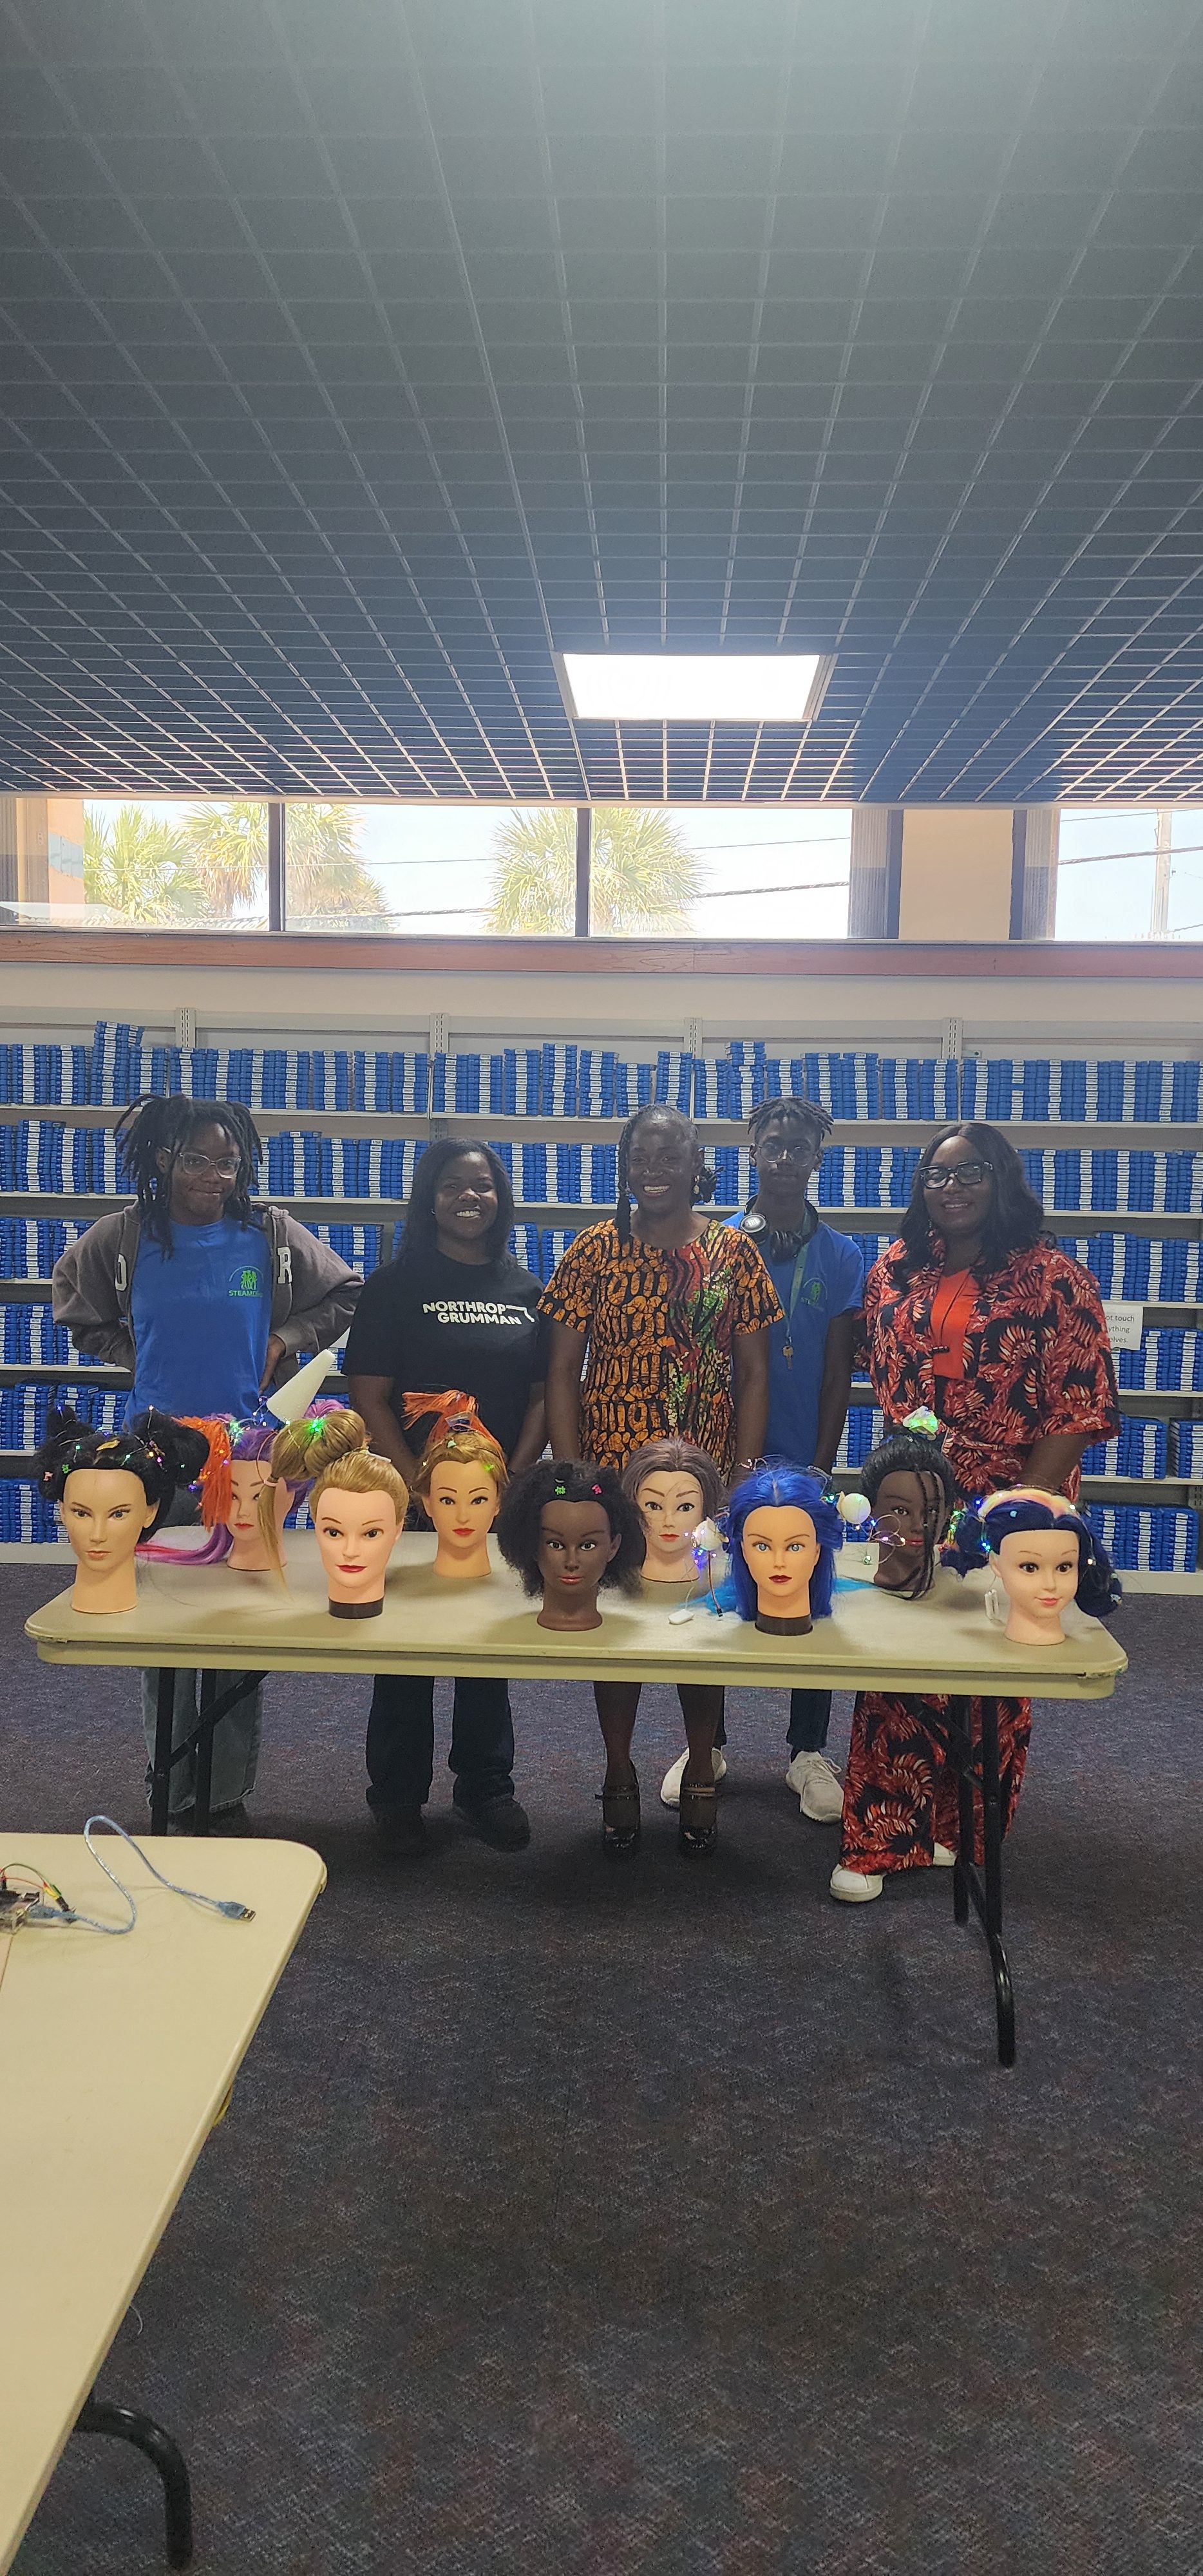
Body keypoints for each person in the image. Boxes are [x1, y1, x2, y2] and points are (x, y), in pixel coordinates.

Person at [51, 1093, 361, 1833]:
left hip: (249, 1456)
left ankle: (224, 1795)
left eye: (229, 1162)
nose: (215, 1176)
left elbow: (347, 1291)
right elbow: (75, 1307)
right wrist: (135, 1356)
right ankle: (170, 1785)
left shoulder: (269, 1233)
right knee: (160, 1631)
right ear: (162, 1159)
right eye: (198, 1160)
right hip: (154, 1461)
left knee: (236, 1628)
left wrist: (284, 1340)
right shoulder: (123, 1237)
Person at [831, 1121, 1120, 1903]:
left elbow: (1077, 1404)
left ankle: (961, 1827)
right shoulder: (895, 1267)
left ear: (1001, 1179)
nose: (950, 1188)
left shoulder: (1053, 1276)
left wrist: (1018, 1512)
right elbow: (868, 1362)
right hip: (911, 1493)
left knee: (991, 1663)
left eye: (968, 1173)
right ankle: (881, 1834)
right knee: (895, 1657)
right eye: (936, 1174)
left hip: (1012, 1490)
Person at [540, 1104, 781, 1861]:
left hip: (701, 1484)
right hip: (612, 1482)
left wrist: (740, 1483)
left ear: (694, 1166)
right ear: (623, 1166)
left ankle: (702, 1764)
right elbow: (561, 1370)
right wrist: (573, 1477)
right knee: (615, 1631)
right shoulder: (591, 1249)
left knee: (698, 1631)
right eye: (639, 1156)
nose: (652, 1170)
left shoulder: (732, 1252)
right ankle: (618, 1769)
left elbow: (753, 1374)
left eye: (668, 1155)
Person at [659, 1090, 864, 1821]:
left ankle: (807, 1749)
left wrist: (821, 1463)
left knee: (810, 1593)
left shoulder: (842, 1255)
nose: (783, 1159)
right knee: (709, 1589)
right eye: (771, 1145)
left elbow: (838, 1372)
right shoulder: (709, 1244)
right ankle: (706, 1743)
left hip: (801, 1449)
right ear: (751, 1153)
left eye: (798, 1148)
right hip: (718, 1447)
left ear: (817, 1159)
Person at [344, 1137, 547, 1860]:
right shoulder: (393, 1286)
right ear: (429, 1198)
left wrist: (510, 1481)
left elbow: (542, 1395)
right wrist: (416, 1484)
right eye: (454, 1185)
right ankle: (397, 1795)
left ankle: (484, 1787)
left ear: (501, 1198)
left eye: (483, 1185)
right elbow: (369, 1395)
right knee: (405, 1646)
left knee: (486, 1643)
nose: (470, 1197)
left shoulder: (526, 1289)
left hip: (494, 1501)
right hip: (410, 1499)